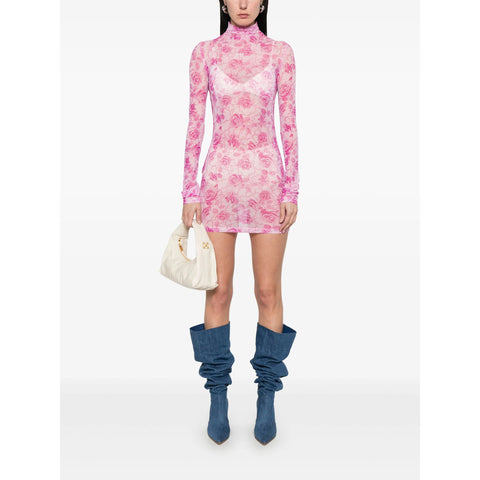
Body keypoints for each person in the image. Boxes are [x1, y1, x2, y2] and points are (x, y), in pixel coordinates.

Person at [182, 0, 298, 445]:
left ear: (264, 2)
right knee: (219, 291)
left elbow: (289, 125)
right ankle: (217, 397)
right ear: (223, 2)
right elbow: (195, 125)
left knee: (268, 292)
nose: (244, 3)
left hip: (268, 183)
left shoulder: (281, 53)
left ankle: (267, 397)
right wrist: (190, 192)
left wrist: (292, 190)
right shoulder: (205, 52)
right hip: (219, 184)